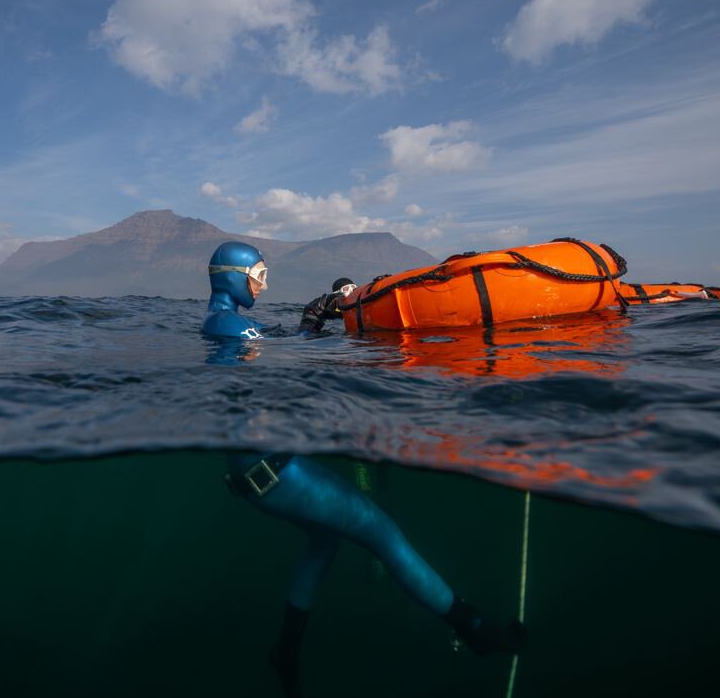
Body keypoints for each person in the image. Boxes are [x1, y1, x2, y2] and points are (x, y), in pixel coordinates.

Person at [202, 241, 524, 698]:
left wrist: (311, 325)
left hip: (260, 473)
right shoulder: (228, 324)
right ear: (233, 275)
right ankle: (473, 629)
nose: (263, 283)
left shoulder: (229, 323)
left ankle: (286, 651)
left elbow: (274, 353)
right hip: (274, 471)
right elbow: (283, 356)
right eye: (259, 273)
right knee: (382, 531)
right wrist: (313, 323)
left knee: (325, 540)